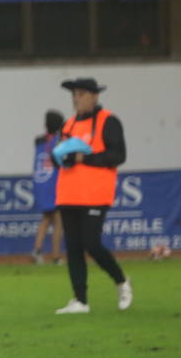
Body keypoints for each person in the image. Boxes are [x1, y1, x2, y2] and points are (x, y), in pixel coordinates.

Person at [52, 78, 131, 315]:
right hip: (68, 194)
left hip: (95, 194)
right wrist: (62, 158)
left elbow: (118, 155)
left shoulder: (109, 121)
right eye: (74, 94)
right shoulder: (69, 124)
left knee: (92, 244)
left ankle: (121, 281)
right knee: (74, 248)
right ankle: (80, 300)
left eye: (82, 94)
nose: (77, 98)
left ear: (95, 96)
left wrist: (83, 158)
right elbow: (62, 158)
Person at [31, 110, 65, 265]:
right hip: (54, 185)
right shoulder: (59, 142)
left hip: (40, 184)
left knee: (46, 218)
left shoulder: (39, 141)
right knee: (58, 221)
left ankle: (37, 251)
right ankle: (56, 256)